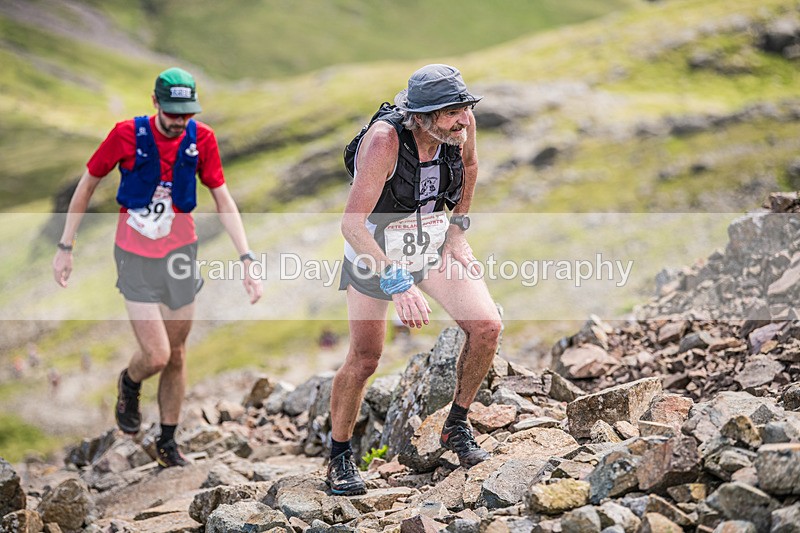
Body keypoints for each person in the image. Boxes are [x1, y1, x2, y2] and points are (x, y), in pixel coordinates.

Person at [52, 67, 262, 468]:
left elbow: (223, 198)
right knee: (156, 355)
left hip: (181, 255)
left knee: (178, 354)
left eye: (187, 114)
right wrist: (66, 245)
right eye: (173, 114)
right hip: (134, 255)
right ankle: (129, 383)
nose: (180, 122)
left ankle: (168, 442)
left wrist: (247, 259)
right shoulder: (125, 134)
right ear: (155, 104)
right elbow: (87, 185)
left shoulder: (202, 140)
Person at [329, 64, 502, 495]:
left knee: (487, 327)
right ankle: (338, 457)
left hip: (431, 240)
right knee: (366, 358)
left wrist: (458, 232)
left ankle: (456, 427)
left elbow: (471, 165)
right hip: (376, 247)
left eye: (465, 108)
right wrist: (397, 281)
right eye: (452, 113)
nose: (463, 119)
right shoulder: (384, 141)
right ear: (422, 117)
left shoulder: (462, 124)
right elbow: (351, 226)